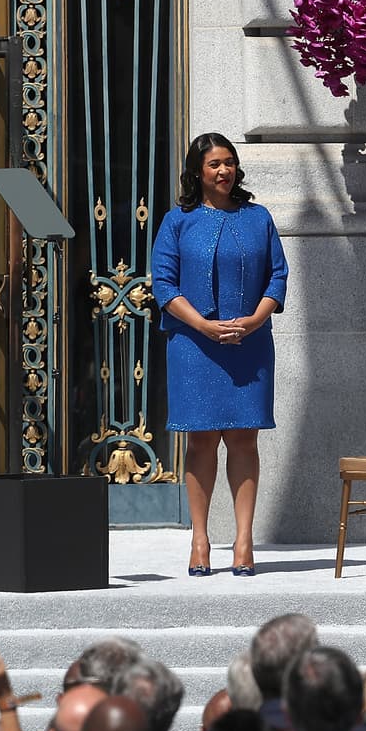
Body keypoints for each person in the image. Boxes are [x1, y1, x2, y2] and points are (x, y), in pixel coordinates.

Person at [151, 131, 289, 577]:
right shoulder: (177, 221)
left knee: (244, 439)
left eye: (229, 162)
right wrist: (203, 325)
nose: (224, 170)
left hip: (249, 343)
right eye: (214, 164)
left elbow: (277, 277)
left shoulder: (258, 217)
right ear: (196, 171)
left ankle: (244, 541)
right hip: (194, 346)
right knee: (201, 440)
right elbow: (164, 285)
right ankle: (199, 539)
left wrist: (254, 320)